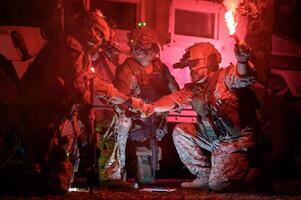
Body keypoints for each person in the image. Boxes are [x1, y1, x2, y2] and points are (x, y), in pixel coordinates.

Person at [18, 8, 133, 194]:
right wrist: (87, 112)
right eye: (101, 38)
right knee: (41, 166)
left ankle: (43, 171)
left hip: (52, 115)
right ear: (93, 32)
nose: (100, 45)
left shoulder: (79, 50)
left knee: (58, 182)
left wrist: (126, 100)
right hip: (39, 114)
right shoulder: (71, 46)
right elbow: (78, 82)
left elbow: (91, 81)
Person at [138, 41, 260, 191]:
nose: (191, 69)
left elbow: (245, 76)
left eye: (194, 64)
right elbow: (174, 99)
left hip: (235, 139)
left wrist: (242, 60)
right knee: (181, 131)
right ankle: (204, 176)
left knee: (219, 185)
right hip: (216, 138)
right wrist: (153, 106)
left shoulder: (226, 76)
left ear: (210, 61)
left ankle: (255, 173)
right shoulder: (194, 88)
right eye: (189, 65)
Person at [104, 26, 179, 181]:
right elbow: (121, 99)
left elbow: (175, 92)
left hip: (156, 118)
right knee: (122, 123)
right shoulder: (128, 68)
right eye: (138, 48)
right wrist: (136, 108)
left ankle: (143, 168)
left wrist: (169, 105)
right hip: (134, 116)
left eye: (146, 48)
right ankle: (115, 170)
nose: (142, 52)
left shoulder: (160, 68)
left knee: (149, 153)